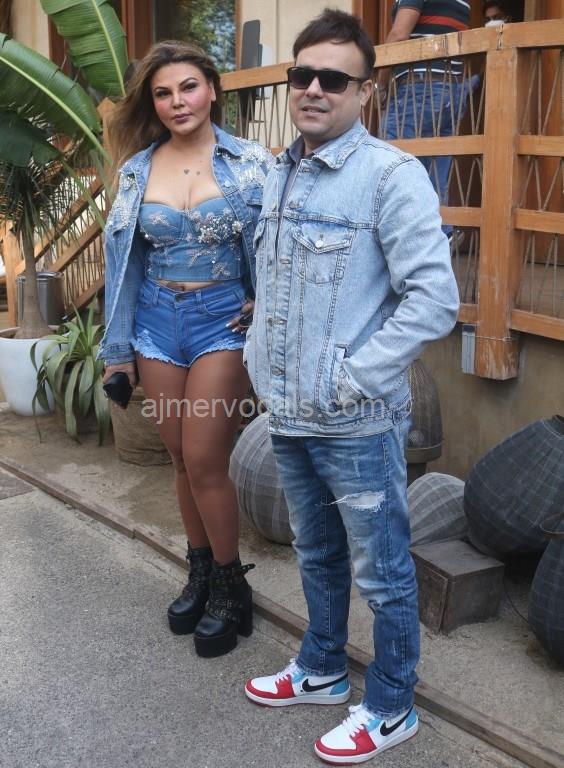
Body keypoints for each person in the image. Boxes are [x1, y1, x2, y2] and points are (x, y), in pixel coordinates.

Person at [243, 9, 459, 765]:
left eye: (333, 79)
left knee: (385, 573)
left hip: (356, 419)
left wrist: (352, 375)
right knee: (315, 553)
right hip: (288, 410)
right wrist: (261, 356)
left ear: (365, 91)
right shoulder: (279, 170)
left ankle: (393, 704)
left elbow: (433, 300)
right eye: (302, 75)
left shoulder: (390, 177)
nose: (313, 89)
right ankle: (323, 666)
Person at [98, 40, 273, 658]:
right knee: (177, 457)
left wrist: (265, 302)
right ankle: (199, 571)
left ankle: (230, 585)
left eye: (189, 87)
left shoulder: (253, 163)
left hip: (222, 322)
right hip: (154, 322)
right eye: (163, 93)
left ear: (213, 90)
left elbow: (280, 245)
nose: (178, 102)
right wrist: (117, 349)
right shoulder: (137, 170)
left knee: (203, 457)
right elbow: (123, 264)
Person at [377, 1, 471, 239]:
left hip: (419, 88)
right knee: (435, 173)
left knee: (391, 167)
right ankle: (441, 236)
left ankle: (400, 243)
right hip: (451, 90)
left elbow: (399, 35)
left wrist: (381, 82)